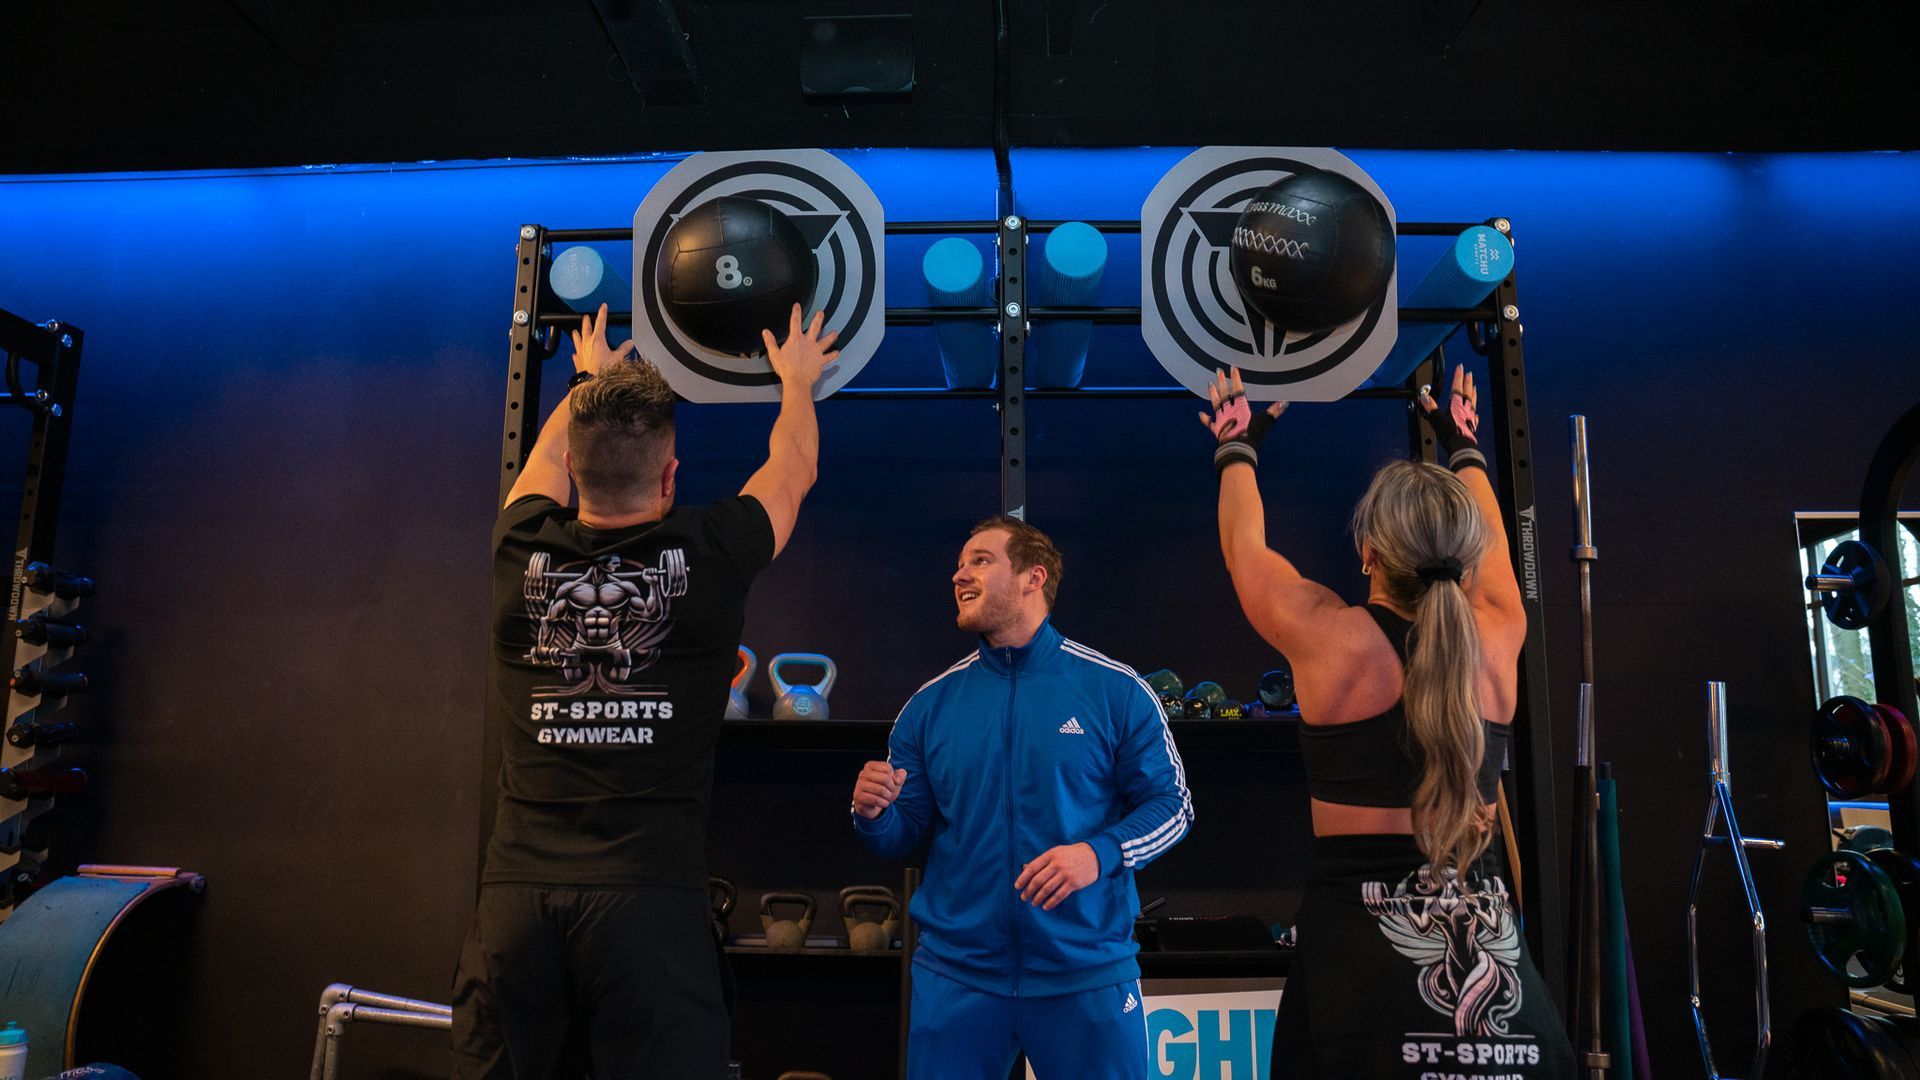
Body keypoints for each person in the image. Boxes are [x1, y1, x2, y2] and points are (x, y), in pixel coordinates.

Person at [453, 303, 839, 1079]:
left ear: (575, 474)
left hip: (518, 905)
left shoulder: (520, 546)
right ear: (670, 477)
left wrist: (589, 379)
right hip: (646, 906)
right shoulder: (711, 551)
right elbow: (793, 467)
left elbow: (549, 455)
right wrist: (796, 381)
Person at [1202, 365, 1574, 1077]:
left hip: (1357, 964)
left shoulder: (1330, 639)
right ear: (1465, 559)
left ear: (1368, 551)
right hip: (1499, 980)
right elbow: (1496, 550)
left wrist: (1236, 447)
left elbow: (1245, 549)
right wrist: (1465, 447)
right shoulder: (1500, 633)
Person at [850, 516, 1193, 1080]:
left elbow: (1173, 807)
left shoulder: (1116, 690)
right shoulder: (930, 705)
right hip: (957, 977)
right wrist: (872, 814)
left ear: (1034, 577)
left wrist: (1098, 854)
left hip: (1085, 974)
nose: (959, 574)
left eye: (980, 560)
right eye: (959, 564)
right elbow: (902, 832)